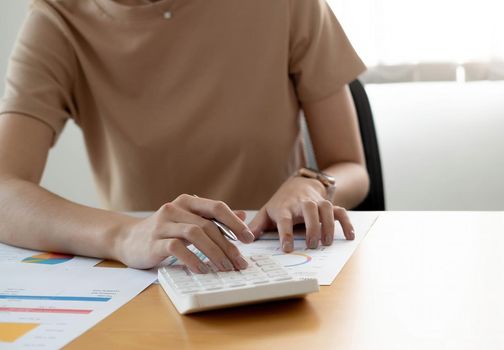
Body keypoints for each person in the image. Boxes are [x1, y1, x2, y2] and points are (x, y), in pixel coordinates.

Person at [0, 0, 369, 274]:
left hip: (279, 262)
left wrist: (313, 184)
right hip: (151, 273)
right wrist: (123, 236)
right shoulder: (58, 19)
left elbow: (351, 167)